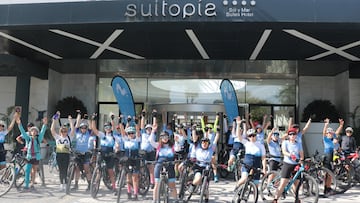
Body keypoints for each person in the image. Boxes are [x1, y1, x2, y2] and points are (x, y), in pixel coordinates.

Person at [272, 128, 304, 203]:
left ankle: (296, 198)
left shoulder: (298, 143)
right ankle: (275, 199)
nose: (292, 136)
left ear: (296, 135)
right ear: (288, 135)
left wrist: (301, 161)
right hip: (288, 163)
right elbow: (284, 151)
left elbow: (301, 154)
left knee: (296, 183)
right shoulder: (285, 142)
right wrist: (290, 155)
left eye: (294, 134)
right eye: (291, 134)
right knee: (283, 182)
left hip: (296, 164)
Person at [16, 116, 48, 191]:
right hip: (29, 156)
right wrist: (19, 124)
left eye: (35, 131)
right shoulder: (28, 138)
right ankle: (26, 185)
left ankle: (32, 184)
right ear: (30, 132)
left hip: (36, 157)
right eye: (32, 131)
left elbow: (43, 132)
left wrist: (44, 124)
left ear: (37, 133)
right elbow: (23, 133)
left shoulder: (38, 139)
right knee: (27, 171)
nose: (33, 132)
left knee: (34, 171)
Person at [235, 116, 267, 189]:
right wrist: (238, 124)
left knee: (256, 185)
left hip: (256, 165)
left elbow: (263, 158)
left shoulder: (261, 145)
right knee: (244, 179)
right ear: (248, 137)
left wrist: (264, 169)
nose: (252, 137)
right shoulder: (247, 143)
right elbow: (239, 136)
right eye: (250, 136)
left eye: (253, 136)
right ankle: (237, 187)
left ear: (256, 136)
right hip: (247, 163)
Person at [149, 129, 179, 203]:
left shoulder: (172, 146)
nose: (165, 138)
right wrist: (153, 131)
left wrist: (177, 141)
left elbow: (177, 148)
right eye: (163, 137)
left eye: (166, 137)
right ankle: (155, 200)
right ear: (161, 138)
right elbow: (151, 141)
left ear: (168, 138)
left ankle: (175, 199)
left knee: (172, 184)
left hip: (170, 164)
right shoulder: (158, 145)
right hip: (159, 164)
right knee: (157, 183)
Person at [50, 112, 75, 191]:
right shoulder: (57, 137)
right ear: (60, 132)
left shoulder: (69, 137)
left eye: (65, 131)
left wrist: (70, 121)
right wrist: (54, 120)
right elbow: (52, 130)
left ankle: (66, 183)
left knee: (65, 169)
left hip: (66, 155)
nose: (64, 133)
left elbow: (73, 130)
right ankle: (62, 183)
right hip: (59, 155)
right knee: (61, 170)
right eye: (62, 131)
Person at [91, 119, 117, 193]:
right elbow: (94, 129)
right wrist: (93, 119)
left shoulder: (113, 135)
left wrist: (112, 119)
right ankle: (95, 184)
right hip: (102, 153)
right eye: (106, 127)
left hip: (110, 154)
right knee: (98, 170)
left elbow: (114, 128)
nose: (107, 128)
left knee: (110, 171)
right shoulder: (102, 134)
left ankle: (114, 187)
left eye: (109, 127)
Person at [117, 124, 141, 200]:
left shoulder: (137, 139)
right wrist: (120, 123)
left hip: (135, 159)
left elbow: (138, 132)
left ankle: (135, 193)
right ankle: (129, 192)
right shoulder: (125, 139)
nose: (131, 134)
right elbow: (122, 132)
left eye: (132, 133)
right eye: (129, 133)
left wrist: (137, 124)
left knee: (134, 178)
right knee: (128, 177)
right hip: (127, 159)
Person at [71, 112, 93, 191]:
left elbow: (90, 127)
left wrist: (89, 119)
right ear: (80, 129)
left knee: (86, 169)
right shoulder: (77, 132)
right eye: (82, 128)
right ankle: (76, 185)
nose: (83, 129)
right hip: (78, 152)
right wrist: (79, 115)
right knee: (77, 169)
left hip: (85, 153)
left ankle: (90, 184)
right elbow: (77, 124)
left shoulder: (88, 133)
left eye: (85, 128)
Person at [321, 118, 343, 196]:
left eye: (331, 133)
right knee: (328, 174)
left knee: (330, 174)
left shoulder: (332, 138)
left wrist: (341, 125)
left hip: (331, 156)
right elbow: (323, 132)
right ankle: (326, 189)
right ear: (327, 134)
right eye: (328, 133)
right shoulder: (325, 139)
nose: (330, 134)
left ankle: (328, 188)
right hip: (327, 157)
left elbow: (337, 132)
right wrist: (326, 125)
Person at [140, 109, 157, 188]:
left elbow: (154, 126)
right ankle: (143, 181)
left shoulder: (153, 134)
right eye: (147, 129)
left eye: (150, 129)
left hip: (151, 152)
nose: (149, 130)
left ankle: (152, 182)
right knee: (142, 167)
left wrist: (154, 117)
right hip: (143, 152)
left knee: (151, 168)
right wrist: (143, 116)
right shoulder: (143, 133)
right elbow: (142, 125)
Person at [200, 113, 220, 182]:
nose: (209, 129)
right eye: (207, 128)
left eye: (210, 128)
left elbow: (215, 125)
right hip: (205, 150)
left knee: (213, 163)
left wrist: (217, 118)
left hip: (212, 149)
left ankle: (215, 176)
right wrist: (201, 119)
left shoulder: (213, 132)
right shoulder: (205, 133)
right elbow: (203, 126)